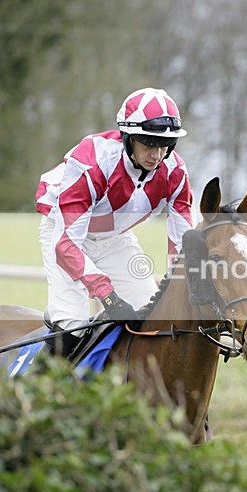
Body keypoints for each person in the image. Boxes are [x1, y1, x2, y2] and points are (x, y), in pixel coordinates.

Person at [35, 87, 193, 359]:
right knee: (73, 326)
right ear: (128, 138)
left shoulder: (175, 172)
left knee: (152, 318)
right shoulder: (91, 163)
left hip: (114, 239)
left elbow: (182, 242)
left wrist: (183, 288)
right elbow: (67, 244)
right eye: (148, 143)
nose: (156, 155)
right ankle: (37, 388)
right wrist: (108, 297)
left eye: (164, 145)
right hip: (65, 235)